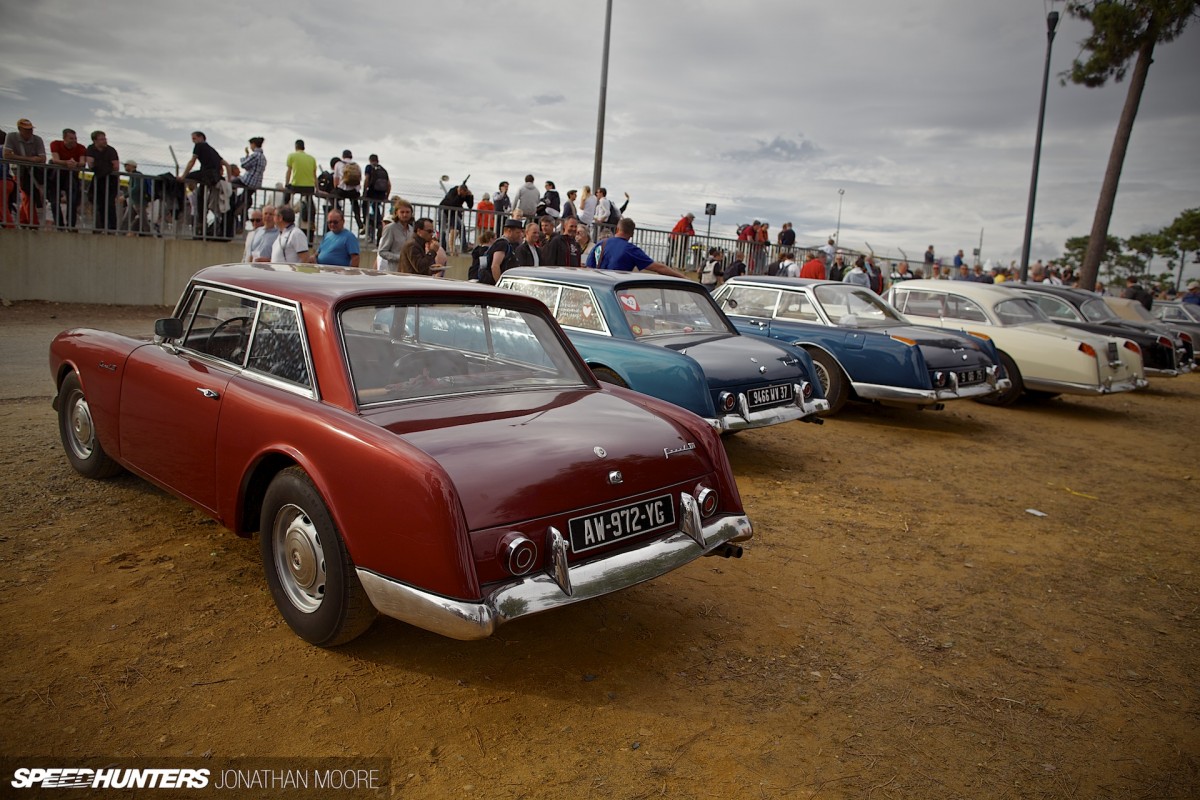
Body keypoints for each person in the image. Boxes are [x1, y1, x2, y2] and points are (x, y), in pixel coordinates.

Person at [586, 218, 686, 277]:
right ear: (632, 233)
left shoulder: (600, 244)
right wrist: (683, 278)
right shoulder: (631, 250)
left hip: (597, 293)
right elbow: (659, 268)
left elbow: (589, 268)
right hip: (615, 293)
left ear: (617, 229)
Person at [4, 118, 47, 227]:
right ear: (19, 129)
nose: (30, 132)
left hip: (34, 173)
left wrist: (19, 158)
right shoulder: (12, 137)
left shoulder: (37, 139)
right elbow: (7, 155)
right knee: (27, 196)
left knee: (30, 196)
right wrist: (30, 159)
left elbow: (42, 158)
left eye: (31, 129)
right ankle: (33, 223)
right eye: (26, 129)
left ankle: (24, 221)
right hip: (19, 172)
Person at [49, 128, 87, 229]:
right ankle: (59, 225)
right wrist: (67, 163)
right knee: (54, 201)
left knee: (73, 201)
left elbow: (83, 163)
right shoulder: (55, 144)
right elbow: (55, 160)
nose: (74, 140)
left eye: (75, 138)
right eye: (71, 138)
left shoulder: (81, 147)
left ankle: (71, 226)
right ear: (64, 138)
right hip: (57, 175)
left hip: (72, 175)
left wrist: (76, 164)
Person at [84, 130, 120, 232]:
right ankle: (99, 228)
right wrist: (105, 167)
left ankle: (111, 229)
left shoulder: (111, 150)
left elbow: (115, 167)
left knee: (110, 204)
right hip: (99, 179)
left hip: (110, 180)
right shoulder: (91, 149)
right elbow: (91, 165)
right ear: (95, 140)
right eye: (102, 139)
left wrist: (99, 165)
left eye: (105, 138)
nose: (105, 141)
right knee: (98, 203)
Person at [284, 139, 317, 239]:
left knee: (287, 199)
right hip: (309, 186)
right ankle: (310, 220)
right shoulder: (311, 158)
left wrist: (286, 184)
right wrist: (317, 188)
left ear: (296, 147)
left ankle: (285, 214)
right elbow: (314, 175)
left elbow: (289, 171)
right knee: (309, 203)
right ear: (304, 147)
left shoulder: (292, 156)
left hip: (296, 184)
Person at [479, 218, 524, 285]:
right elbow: (495, 266)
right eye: (517, 232)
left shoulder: (507, 244)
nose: (520, 235)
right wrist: (500, 284)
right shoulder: (502, 244)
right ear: (509, 231)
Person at [375, 200, 416, 271]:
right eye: (402, 212)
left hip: (408, 270)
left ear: (411, 213)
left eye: (407, 212)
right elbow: (382, 251)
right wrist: (399, 257)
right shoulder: (390, 228)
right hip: (394, 270)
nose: (405, 215)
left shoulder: (411, 230)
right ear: (396, 213)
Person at [333, 149, 364, 232]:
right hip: (353, 192)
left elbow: (336, 179)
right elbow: (359, 179)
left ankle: (339, 216)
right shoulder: (356, 165)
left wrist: (336, 188)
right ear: (351, 156)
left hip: (342, 190)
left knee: (333, 198)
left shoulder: (338, 164)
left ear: (343, 156)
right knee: (355, 205)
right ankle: (360, 224)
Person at [438, 182, 473, 255]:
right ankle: (443, 248)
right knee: (443, 230)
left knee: (461, 227)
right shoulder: (452, 191)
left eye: (465, 195)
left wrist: (470, 196)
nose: (464, 196)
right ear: (460, 191)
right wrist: (459, 195)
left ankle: (464, 247)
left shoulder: (465, 194)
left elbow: (470, 206)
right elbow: (452, 203)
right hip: (444, 210)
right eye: (463, 194)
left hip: (453, 212)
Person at [362, 154, 390, 241]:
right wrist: (386, 196)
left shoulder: (369, 167)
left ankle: (365, 223)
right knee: (376, 208)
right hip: (381, 194)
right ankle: (378, 223)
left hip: (371, 192)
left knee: (365, 206)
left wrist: (364, 192)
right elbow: (389, 184)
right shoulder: (383, 169)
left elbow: (367, 179)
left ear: (370, 160)